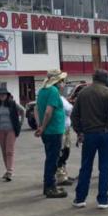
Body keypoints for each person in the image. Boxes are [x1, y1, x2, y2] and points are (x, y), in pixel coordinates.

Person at [71, 69, 108, 209]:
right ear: (107, 79)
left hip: (89, 134)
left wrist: (79, 131)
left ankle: (80, 198)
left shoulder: (83, 93)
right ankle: (103, 199)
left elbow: (74, 115)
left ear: (93, 77)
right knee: (105, 167)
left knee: (86, 166)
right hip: (105, 134)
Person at [35, 69, 68, 198]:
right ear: (58, 81)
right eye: (62, 81)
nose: (63, 84)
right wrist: (43, 127)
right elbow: (49, 111)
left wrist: (40, 126)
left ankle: (49, 185)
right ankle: (50, 187)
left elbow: (37, 109)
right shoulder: (53, 91)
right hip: (54, 130)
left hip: (47, 131)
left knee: (50, 158)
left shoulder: (42, 90)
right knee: (52, 160)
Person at [0, 83, 22, 182]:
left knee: (9, 151)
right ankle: (7, 170)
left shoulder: (12, 103)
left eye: (4, 94)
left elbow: (23, 110)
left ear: (7, 95)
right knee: (4, 151)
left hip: (11, 129)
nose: (2, 96)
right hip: (0, 130)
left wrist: (20, 123)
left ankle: (10, 171)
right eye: (0, 95)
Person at [56, 94, 75, 186]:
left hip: (66, 127)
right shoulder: (58, 98)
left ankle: (64, 173)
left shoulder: (62, 97)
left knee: (66, 151)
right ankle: (61, 176)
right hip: (61, 128)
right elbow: (68, 110)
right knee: (61, 152)